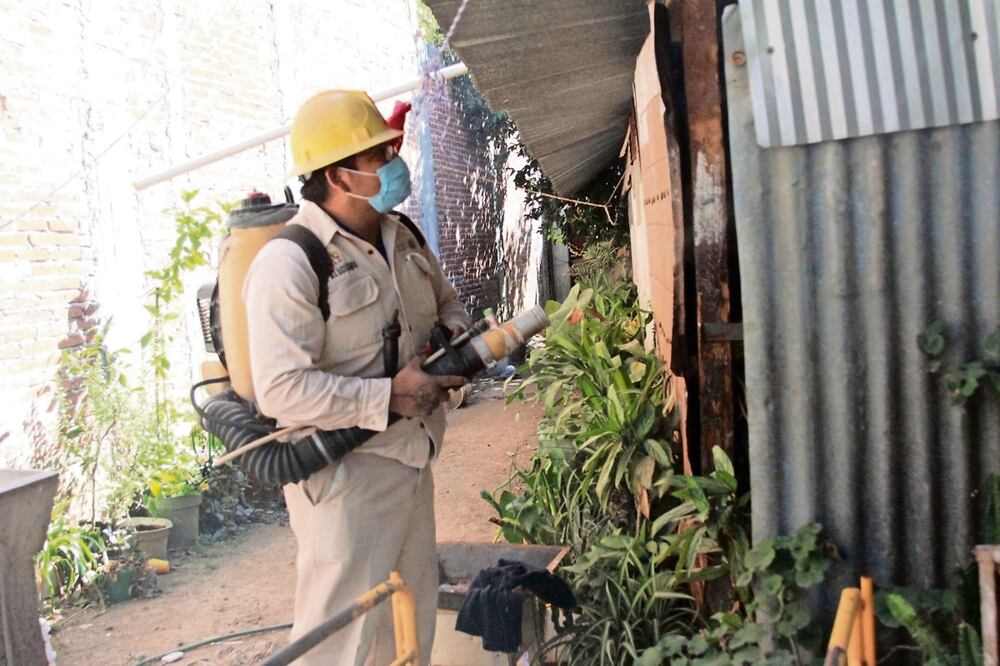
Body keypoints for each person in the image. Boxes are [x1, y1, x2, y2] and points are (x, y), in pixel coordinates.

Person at [242, 89, 471, 664]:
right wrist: (389, 394)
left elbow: (450, 306)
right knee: (340, 641)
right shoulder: (290, 262)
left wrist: (451, 349)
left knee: (408, 628)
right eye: (378, 158)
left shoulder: (403, 235)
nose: (394, 165)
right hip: (346, 479)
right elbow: (282, 388)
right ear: (338, 176)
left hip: (413, 460)